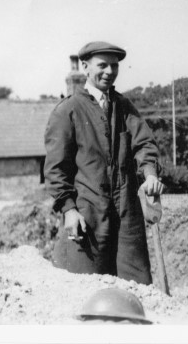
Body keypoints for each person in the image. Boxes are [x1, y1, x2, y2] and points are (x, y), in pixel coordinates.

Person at [44, 41, 164, 285]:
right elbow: (56, 170)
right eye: (103, 65)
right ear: (85, 67)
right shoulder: (68, 111)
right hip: (87, 215)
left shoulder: (124, 107)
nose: (109, 71)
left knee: (137, 288)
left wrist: (150, 174)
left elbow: (144, 144)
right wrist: (69, 210)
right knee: (84, 290)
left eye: (115, 66)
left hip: (126, 215)